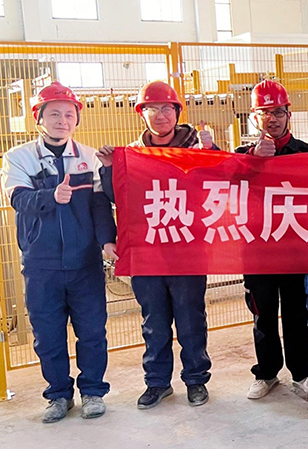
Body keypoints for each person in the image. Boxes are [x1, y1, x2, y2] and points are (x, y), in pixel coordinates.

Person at [98, 81, 217, 409]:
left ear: (177, 113)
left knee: (190, 319)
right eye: (152, 108)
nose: (160, 115)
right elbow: (115, 197)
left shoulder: (197, 150)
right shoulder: (132, 156)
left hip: (187, 251)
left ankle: (196, 380)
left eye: (167, 108)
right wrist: (109, 169)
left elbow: (223, 181)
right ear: (142, 114)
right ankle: (157, 382)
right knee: (154, 322)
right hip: (148, 253)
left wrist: (213, 152)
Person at [1, 82, 117, 422]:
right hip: (42, 265)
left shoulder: (88, 158)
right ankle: (58, 396)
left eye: (69, 114)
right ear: (39, 118)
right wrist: (50, 196)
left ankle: (93, 391)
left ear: (77, 119)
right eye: (54, 114)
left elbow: (99, 206)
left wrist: (106, 241)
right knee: (48, 337)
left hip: (85, 264)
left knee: (92, 332)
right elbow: (19, 200)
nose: (62, 121)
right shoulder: (18, 157)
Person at [235, 80, 308, 400]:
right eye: (265, 112)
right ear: (254, 117)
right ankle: (266, 373)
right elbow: (225, 185)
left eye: (278, 112)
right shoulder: (240, 157)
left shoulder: (306, 153)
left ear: (289, 115)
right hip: (257, 252)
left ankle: (302, 373)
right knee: (263, 316)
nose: (273, 119)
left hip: (296, 250)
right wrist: (254, 159)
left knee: (297, 315)